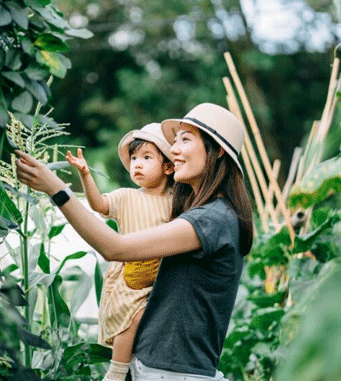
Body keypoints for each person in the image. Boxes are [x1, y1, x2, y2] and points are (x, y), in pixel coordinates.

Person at [16, 103, 253, 381]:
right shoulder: (204, 214)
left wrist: (57, 189)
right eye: (174, 141)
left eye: (185, 140)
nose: (174, 149)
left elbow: (115, 248)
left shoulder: (213, 219)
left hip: (173, 374)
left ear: (218, 150)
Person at [65, 123, 175, 381]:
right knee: (133, 317)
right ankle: (116, 372)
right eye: (134, 158)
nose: (137, 164)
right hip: (129, 279)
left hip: (160, 279)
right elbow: (99, 205)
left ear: (169, 167)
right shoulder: (126, 197)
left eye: (147, 158)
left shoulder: (175, 202)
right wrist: (85, 175)